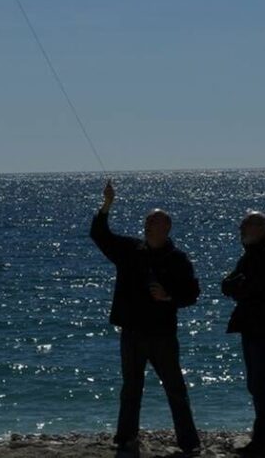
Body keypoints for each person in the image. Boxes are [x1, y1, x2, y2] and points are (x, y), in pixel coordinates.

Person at [90, 179, 201, 454]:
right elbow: (99, 234)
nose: (147, 225)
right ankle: (126, 438)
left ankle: (189, 443)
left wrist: (168, 296)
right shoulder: (131, 250)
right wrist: (107, 204)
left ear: (166, 228)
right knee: (130, 389)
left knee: (175, 390)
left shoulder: (177, 259)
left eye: (153, 221)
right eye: (146, 221)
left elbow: (192, 293)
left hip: (162, 334)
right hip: (132, 332)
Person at [221, 211, 265, 456]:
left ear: (260, 228)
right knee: (256, 383)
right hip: (252, 327)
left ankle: (264, 438)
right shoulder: (251, 255)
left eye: (246, 226)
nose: (241, 230)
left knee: (260, 383)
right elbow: (230, 283)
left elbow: (249, 288)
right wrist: (236, 286)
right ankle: (263, 436)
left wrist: (237, 287)